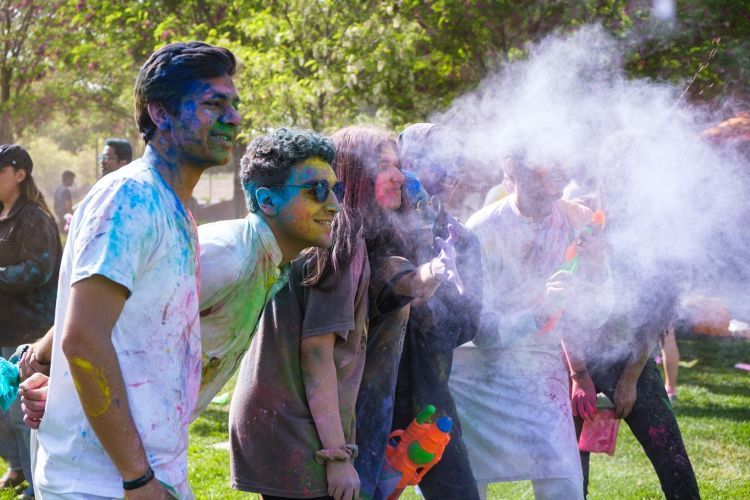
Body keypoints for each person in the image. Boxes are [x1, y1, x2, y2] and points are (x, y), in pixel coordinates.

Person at [33, 41, 241, 499]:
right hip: (103, 484)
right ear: (160, 113)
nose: (233, 118)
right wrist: (136, 478)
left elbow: (117, 327)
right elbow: (84, 336)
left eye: (235, 104)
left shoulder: (175, 209)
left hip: (148, 472)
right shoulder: (131, 196)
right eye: (214, 104)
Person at [449, 153, 611, 500]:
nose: (557, 175)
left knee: (565, 486)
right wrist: (538, 313)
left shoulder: (577, 220)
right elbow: (481, 332)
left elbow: (596, 317)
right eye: (543, 167)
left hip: (541, 370)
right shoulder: (481, 229)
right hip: (479, 375)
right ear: (514, 172)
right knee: (466, 487)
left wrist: (596, 266)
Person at [229, 131, 367, 500]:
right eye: (317, 190)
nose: (335, 205)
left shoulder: (283, 248)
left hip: (278, 424)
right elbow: (317, 354)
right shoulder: (227, 256)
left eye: (335, 188)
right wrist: (336, 455)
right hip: (298, 432)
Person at [326, 126, 462, 500]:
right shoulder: (328, 248)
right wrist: (429, 274)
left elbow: (403, 282)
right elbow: (403, 281)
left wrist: (430, 270)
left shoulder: (384, 240)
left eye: (398, 165)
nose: (400, 177)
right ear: (352, 172)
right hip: (322, 431)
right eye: (384, 165)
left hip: (366, 423)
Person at [572, 132, 700, 499]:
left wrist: (630, 377)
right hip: (578, 363)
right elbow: (562, 298)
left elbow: (658, 308)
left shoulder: (657, 226)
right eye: (617, 167)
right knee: (569, 480)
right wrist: (578, 374)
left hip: (633, 359)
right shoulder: (584, 215)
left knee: (676, 470)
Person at [391, 123, 483, 500]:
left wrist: (427, 310)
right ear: (407, 162)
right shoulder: (373, 227)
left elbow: (469, 323)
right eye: (440, 162)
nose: (453, 174)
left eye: (458, 163)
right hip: (364, 393)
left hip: (429, 397)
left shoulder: (462, 239)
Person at [0, 144, 61, 499]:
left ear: (20, 174)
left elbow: (40, 270)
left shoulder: (34, 218)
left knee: (22, 413)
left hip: (30, 332)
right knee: (2, 411)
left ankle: (39, 485)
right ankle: (18, 467)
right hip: (4, 325)